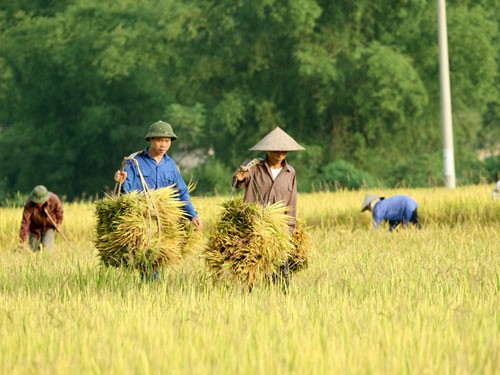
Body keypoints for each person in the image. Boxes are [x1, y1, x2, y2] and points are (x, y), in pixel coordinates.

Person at [233, 126, 305, 290]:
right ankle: (251, 296)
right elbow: (238, 183)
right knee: (253, 266)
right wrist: (240, 177)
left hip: (279, 229)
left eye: (284, 152)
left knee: (281, 270)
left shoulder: (290, 173)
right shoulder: (254, 168)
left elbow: (292, 202)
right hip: (256, 225)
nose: (280, 155)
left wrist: (290, 230)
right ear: (268, 150)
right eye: (276, 151)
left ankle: (281, 297)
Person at [114, 120, 202, 230]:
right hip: (141, 220)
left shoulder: (170, 165)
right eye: (160, 141)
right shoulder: (134, 161)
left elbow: (182, 192)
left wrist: (193, 216)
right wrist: (121, 181)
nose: (163, 145)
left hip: (165, 221)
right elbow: (126, 192)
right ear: (151, 139)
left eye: (167, 141)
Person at [19, 185, 64, 252]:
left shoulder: (54, 199)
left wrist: (59, 223)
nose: (37, 203)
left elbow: (59, 212)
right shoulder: (29, 204)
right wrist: (22, 240)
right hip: (34, 228)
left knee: (46, 251)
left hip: (49, 227)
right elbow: (25, 222)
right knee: (33, 251)